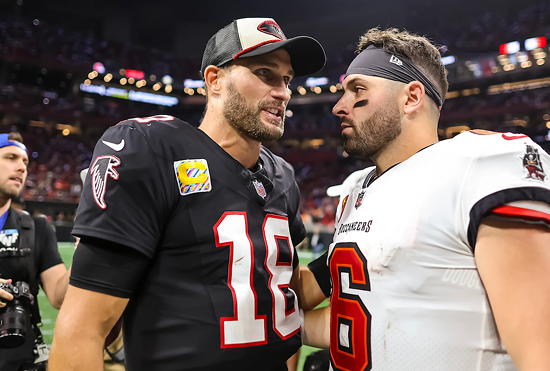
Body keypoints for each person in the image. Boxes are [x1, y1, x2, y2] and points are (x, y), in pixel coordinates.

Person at [48, 17, 326, 371]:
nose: (283, 92)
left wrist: (343, 261)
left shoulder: (283, 176)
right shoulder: (150, 148)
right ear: (215, 81)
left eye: (286, 79)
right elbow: (82, 330)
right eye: (265, 73)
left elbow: (280, 297)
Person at [299, 28, 550, 371]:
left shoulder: (474, 167)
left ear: (411, 97)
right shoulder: (357, 189)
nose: (339, 107)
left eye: (357, 90)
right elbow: (360, 321)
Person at [0, 132, 70, 371]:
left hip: (19, 357)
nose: (21, 167)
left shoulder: (38, 228)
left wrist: (87, 251)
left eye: (25, 162)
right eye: (11, 157)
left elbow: (59, 297)